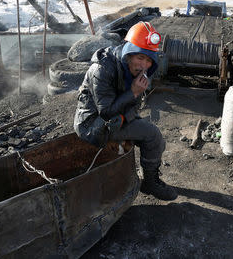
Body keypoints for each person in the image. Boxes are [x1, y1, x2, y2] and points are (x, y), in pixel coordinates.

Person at [74, 21, 177, 201]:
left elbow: (135, 104)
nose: (143, 65)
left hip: (116, 116)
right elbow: (105, 111)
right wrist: (133, 92)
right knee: (152, 135)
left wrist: (130, 106)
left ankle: (149, 179)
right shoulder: (102, 69)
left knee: (151, 136)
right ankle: (150, 183)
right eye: (139, 58)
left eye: (148, 60)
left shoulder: (139, 70)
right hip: (92, 124)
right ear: (128, 53)